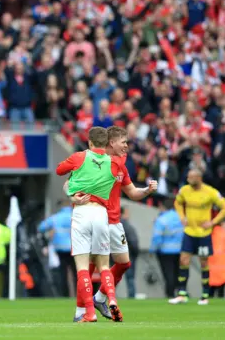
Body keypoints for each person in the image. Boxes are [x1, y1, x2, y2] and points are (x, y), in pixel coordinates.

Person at [84, 126, 156, 319]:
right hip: (97, 220)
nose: (126, 146)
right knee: (92, 264)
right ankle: (84, 308)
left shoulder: (121, 165)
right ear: (111, 143)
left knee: (124, 264)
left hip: (115, 222)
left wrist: (147, 191)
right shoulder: (96, 162)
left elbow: (132, 192)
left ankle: (99, 298)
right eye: (123, 142)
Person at [56, 126, 122, 323]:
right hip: (102, 214)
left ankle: (89, 313)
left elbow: (59, 170)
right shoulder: (115, 162)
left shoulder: (80, 157)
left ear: (90, 142)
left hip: (81, 212)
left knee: (82, 267)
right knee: (104, 265)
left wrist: (71, 190)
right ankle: (111, 299)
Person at [169, 168, 225, 305]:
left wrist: (213, 222)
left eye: (191, 177)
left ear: (199, 178)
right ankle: (182, 294)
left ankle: (205, 295)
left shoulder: (210, 192)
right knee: (184, 260)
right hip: (189, 232)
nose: (188, 179)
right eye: (188, 177)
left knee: (203, 263)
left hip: (204, 234)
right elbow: (177, 202)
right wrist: (181, 216)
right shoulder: (184, 190)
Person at [150, 198, 184, 298]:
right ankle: (180, 293)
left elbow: (157, 237)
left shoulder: (161, 220)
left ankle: (170, 294)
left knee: (168, 274)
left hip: (165, 251)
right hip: (180, 250)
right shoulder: (180, 218)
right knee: (178, 273)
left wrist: (153, 249)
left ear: (163, 207)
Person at [38, 201, 73, 297]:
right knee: (77, 273)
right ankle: (81, 295)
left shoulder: (55, 218)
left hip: (60, 248)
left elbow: (41, 227)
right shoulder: (76, 216)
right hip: (74, 247)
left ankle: (64, 295)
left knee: (62, 272)